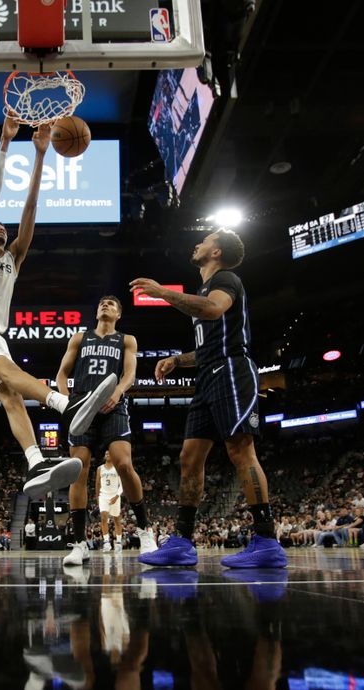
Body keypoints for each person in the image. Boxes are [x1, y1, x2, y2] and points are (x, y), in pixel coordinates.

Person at [0, 117, 117, 498]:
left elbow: (30, 207)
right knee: (9, 374)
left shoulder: (13, 259)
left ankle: (35, 463)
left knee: (11, 395)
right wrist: (5, 144)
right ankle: (66, 406)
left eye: (3, 228)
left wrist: (40, 154)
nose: (1, 228)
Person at [130, 230, 287, 569]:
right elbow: (207, 344)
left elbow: (214, 310)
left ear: (216, 251)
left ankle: (267, 539)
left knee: (240, 449)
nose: (198, 243)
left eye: (205, 239)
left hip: (232, 369)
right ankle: (182, 542)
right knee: (189, 456)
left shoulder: (226, 279)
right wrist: (177, 360)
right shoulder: (205, 287)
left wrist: (162, 293)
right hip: (208, 373)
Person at [56, 296, 157, 567]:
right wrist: (67, 403)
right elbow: (61, 375)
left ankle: (146, 532)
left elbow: (129, 375)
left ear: (119, 314)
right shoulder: (80, 338)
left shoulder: (126, 340)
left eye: (112, 304)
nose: (106, 305)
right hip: (82, 407)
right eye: (102, 303)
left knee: (123, 463)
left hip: (113, 407)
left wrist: (118, 392)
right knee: (78, 470)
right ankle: (79, 544)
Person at [97, 451, 124, 553]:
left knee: (117, 519)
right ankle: (106, 542)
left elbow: (122, 484)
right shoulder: (100, 468)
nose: (107, 455)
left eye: (110, 453)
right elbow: (97, 484)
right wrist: (97, 497)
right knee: (103, 518)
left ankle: (118, 543)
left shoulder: (118, 468)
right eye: (106, 453)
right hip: (103, 496)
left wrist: (117, 496)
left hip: (115, 495)